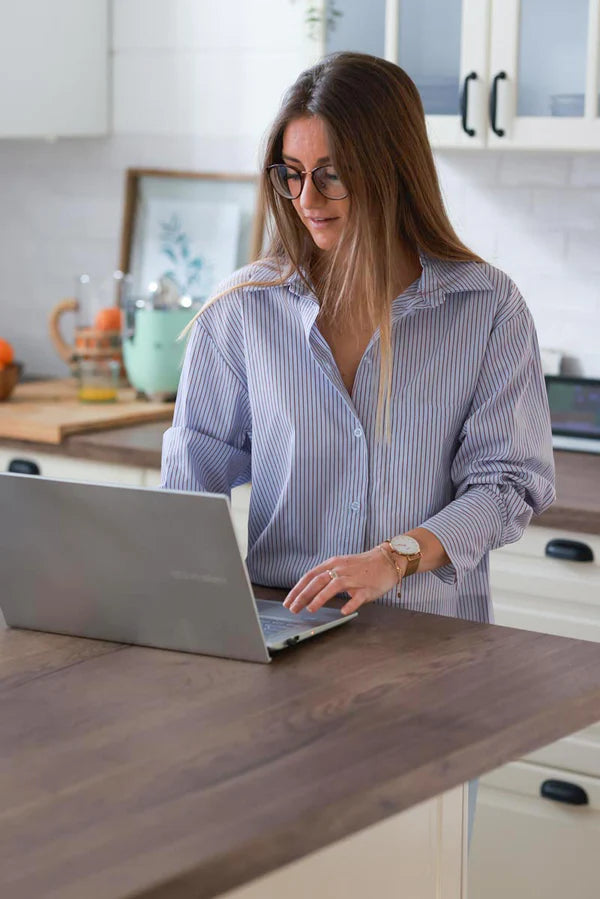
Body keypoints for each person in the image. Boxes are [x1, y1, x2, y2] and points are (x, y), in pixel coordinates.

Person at [161, 50, 555, 848]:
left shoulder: (486, 309)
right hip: (278, 669)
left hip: (429, 666)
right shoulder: (242, 312)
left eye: (332, 175)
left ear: (392, 167)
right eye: (291, 173)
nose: (307, 199)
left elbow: (509, 483)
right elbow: (189, 482)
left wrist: (394, 557)